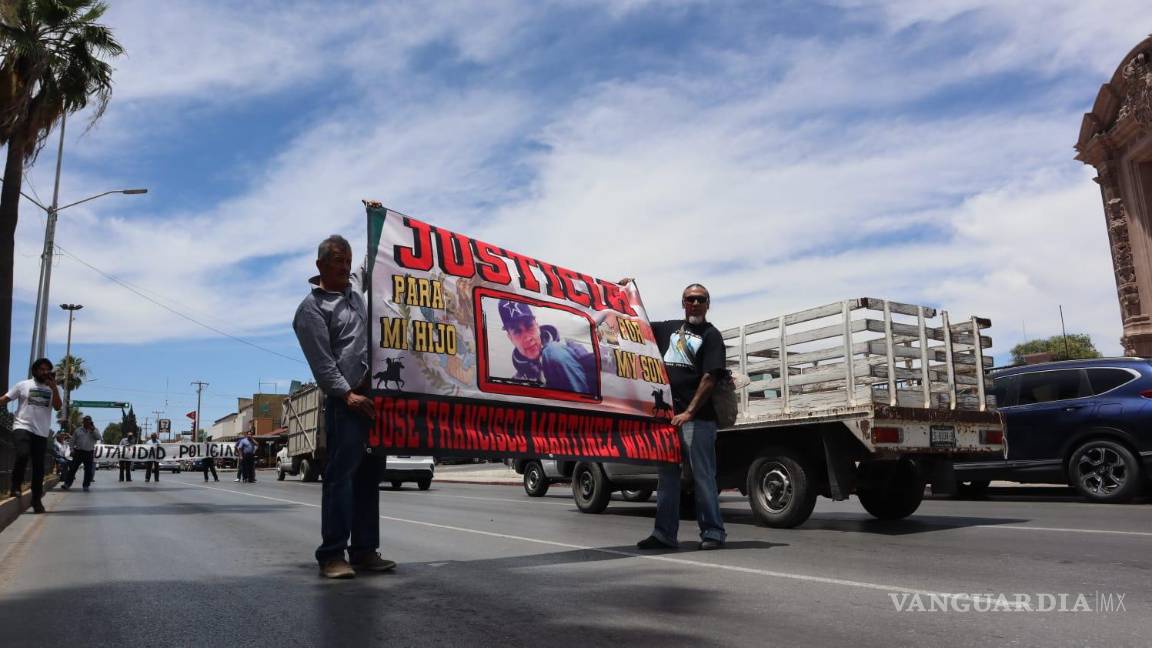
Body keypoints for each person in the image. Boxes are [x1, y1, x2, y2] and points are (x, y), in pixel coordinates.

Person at [294, 234, 394, 579]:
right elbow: (322, 363)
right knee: (341, 478)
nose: (346, 267)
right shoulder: (311, 310)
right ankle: (332, 555)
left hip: (374, 398)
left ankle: (365, 551)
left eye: (349, 262)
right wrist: (347, 395)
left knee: (370, 476)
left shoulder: (354, 295)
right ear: (320, 264)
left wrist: (379, 226)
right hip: (346, 403)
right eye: (339, 261)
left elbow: (375, 266)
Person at [629, 282, 728, 551]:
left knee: (703, 477)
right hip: (667, 420)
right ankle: (663, 535)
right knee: (667, 478)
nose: (695, 303)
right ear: (682, 303)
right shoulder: (669, 328)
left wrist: (688, 412)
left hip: (698, 420)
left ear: (708, 303)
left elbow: (709, 378)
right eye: (690, 299)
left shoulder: (711, 336)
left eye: (700, 299)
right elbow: (639, 322)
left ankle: (713, 532)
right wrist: (627, 291)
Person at [0, 358, 63, 513]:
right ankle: (15, 486)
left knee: (38, 467)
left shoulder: (53, 389)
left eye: (47, 369)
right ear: (35, 371)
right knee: (22, 454)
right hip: (22, 426)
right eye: (41, 369)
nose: (45, 372)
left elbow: (58, 407)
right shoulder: (23, 385)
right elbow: (5, 398)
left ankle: (36, 500)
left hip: (41, 432)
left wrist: (54, 388)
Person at [498, 299, 597, 395]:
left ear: (537, 326)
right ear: (510, 338)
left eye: (529, 327)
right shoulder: (516, 383)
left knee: (553, 351)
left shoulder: (569, 347)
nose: (527, 338)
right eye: (517, 332)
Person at [61, 416, 100, 492]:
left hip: (89, 452)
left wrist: (93, 430)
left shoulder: (94, 430)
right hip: (78, 452)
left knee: (88, 470)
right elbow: (72, 441)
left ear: (91, 422)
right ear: (83, 422)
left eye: (89, 422)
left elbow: (99, 438)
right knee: (73, 469)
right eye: (86, 421)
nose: (87, 423)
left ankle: (86, 485)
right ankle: (67, 484)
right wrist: (72, 450)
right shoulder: (78, 430)